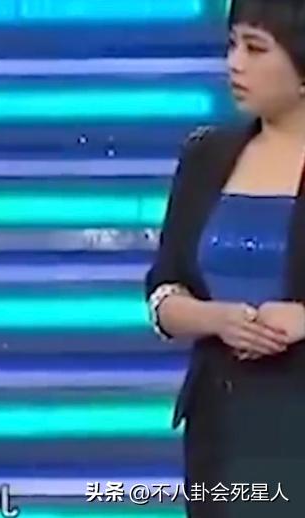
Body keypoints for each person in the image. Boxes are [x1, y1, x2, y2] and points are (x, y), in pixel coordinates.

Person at [146, 0, 305, 515]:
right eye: (232, 45)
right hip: (220, 425)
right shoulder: (205, 156)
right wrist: (218, 319)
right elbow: (164, 290)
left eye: (256, 49)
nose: (234, 63)